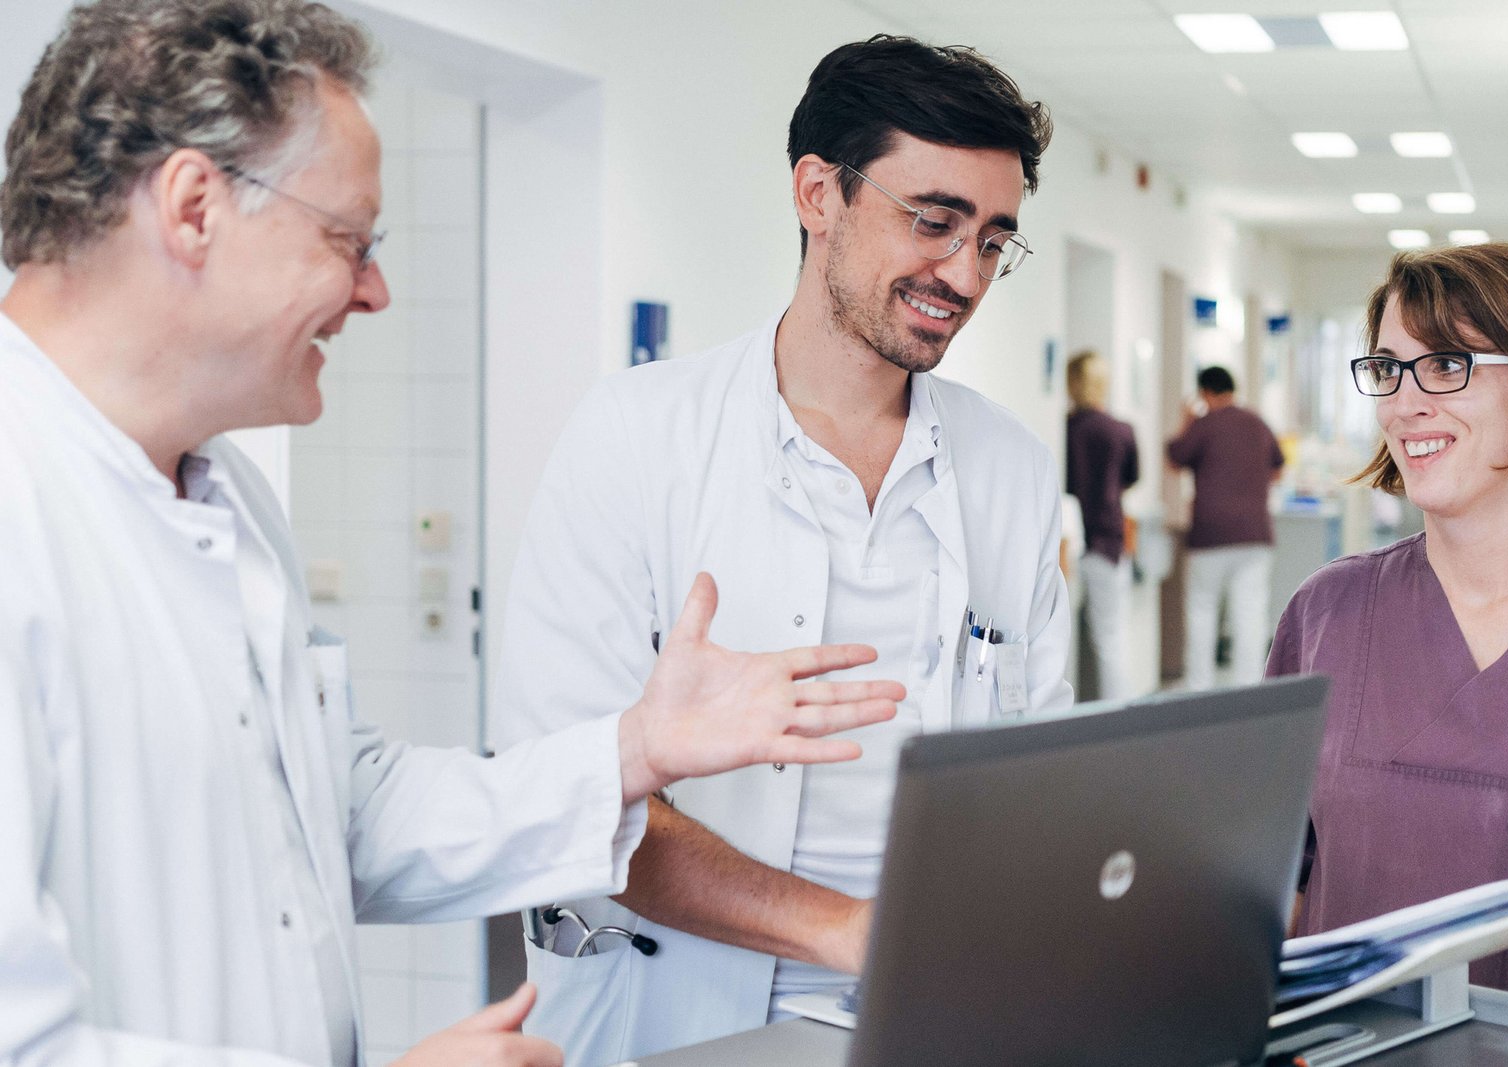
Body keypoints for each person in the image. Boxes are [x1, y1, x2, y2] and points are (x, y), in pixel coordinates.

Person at [0, 3, 906, 1064]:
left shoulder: (224, 493)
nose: (374, 289)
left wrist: (634, 749)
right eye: (350, 240)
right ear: (195, 206)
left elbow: (347, 814)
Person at [497, 34, 1071, 1065]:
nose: (964, 271)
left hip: (936, 1007)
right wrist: (850, 932)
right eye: (934, 221)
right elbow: (565, 792)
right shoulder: (633, 437)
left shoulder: (1012, 470)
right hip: (674, 1007)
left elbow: (1038, 775)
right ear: (818, 192)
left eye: (992, 239)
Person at [1267, 243, 1508, 1007]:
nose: (1405, 403)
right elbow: (1269, 887)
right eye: (1388, 368)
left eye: (1447, 364)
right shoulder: (1327, 614)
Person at [1166, 365, 1284, 689]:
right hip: (1254, 535)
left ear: (1205, 393)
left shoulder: (1203, 425)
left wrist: (1187, 420)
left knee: (1202, 609)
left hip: (1210, 535)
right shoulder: (1257, 422)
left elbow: (1174, 459)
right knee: (1249, 613)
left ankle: (1199, 688)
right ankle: (1248, 689)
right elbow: (1277, 468)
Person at [1064, 349, 1140, 700]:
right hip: (1109, 539)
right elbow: (1131, 478)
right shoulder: (1120, 430)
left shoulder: (1065, 429)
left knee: (1058, 638)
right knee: (1111, 638)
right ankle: (1117, 714)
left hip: (1070, 540)